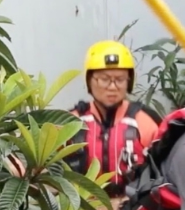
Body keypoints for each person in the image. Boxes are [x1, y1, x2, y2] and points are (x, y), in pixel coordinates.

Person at [65, 40, 162, 195]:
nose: (112, 87)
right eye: (104, 79)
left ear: (129, 82)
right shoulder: (70, 123)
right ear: (89, 80)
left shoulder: (146, 122)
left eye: (120, 79)